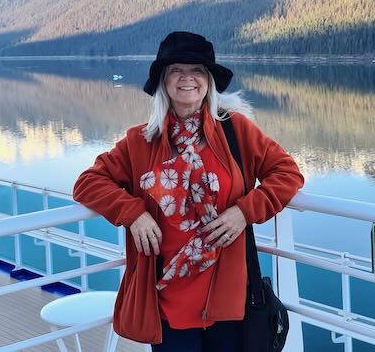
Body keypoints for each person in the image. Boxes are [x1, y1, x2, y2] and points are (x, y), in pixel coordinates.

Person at [72, 31, 304, 351]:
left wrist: (244, 212)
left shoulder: (235, 130)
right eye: (176, 70)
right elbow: (88, 183)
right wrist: (133, 214)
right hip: (169, 301)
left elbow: (287, 173)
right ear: (163, 82)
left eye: (196, 70)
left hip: (229, 301)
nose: (187, 78)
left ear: (208, 80)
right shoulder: (141, 141)